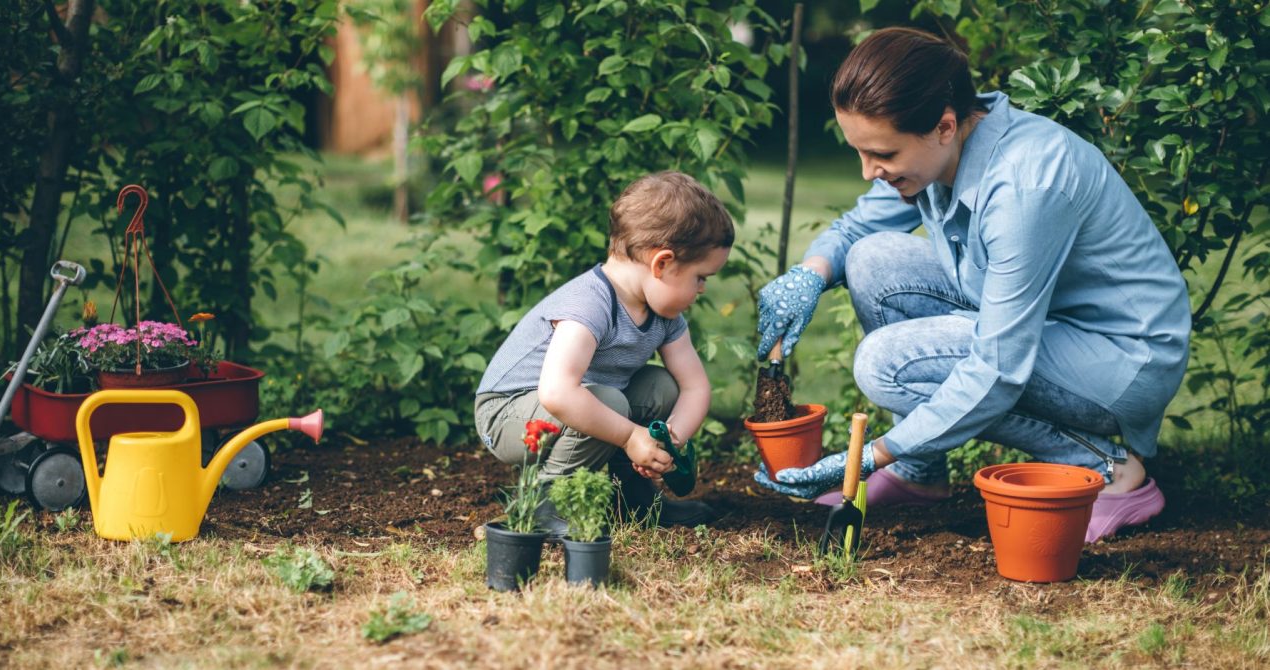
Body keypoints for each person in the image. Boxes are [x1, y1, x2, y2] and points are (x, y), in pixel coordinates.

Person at [753, 27, 1190, 543]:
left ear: (943, 125)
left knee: (885, 363)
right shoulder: (943, 149)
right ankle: (922, 474)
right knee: (872, 260)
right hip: (1052, 325)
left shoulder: (1025, 184)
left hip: (1120, 359)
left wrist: (878, 452)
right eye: (860, 152)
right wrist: (810, 274)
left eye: (883, 155)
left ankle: (1110, 470)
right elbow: (855, 232)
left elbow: (999, 367)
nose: (869, 171)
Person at [475, 171, 727, 537]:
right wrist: (629, 437)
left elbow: (694, 388)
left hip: (579, 401)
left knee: (660, 386)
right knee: (609, 403)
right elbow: (558, 393)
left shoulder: (664, 314)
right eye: (700, 277)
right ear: (662, 264)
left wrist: (666, 442)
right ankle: (544, 506)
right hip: (507, 414)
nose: (702, 289)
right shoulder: (589, 303)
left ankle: (633, 498)